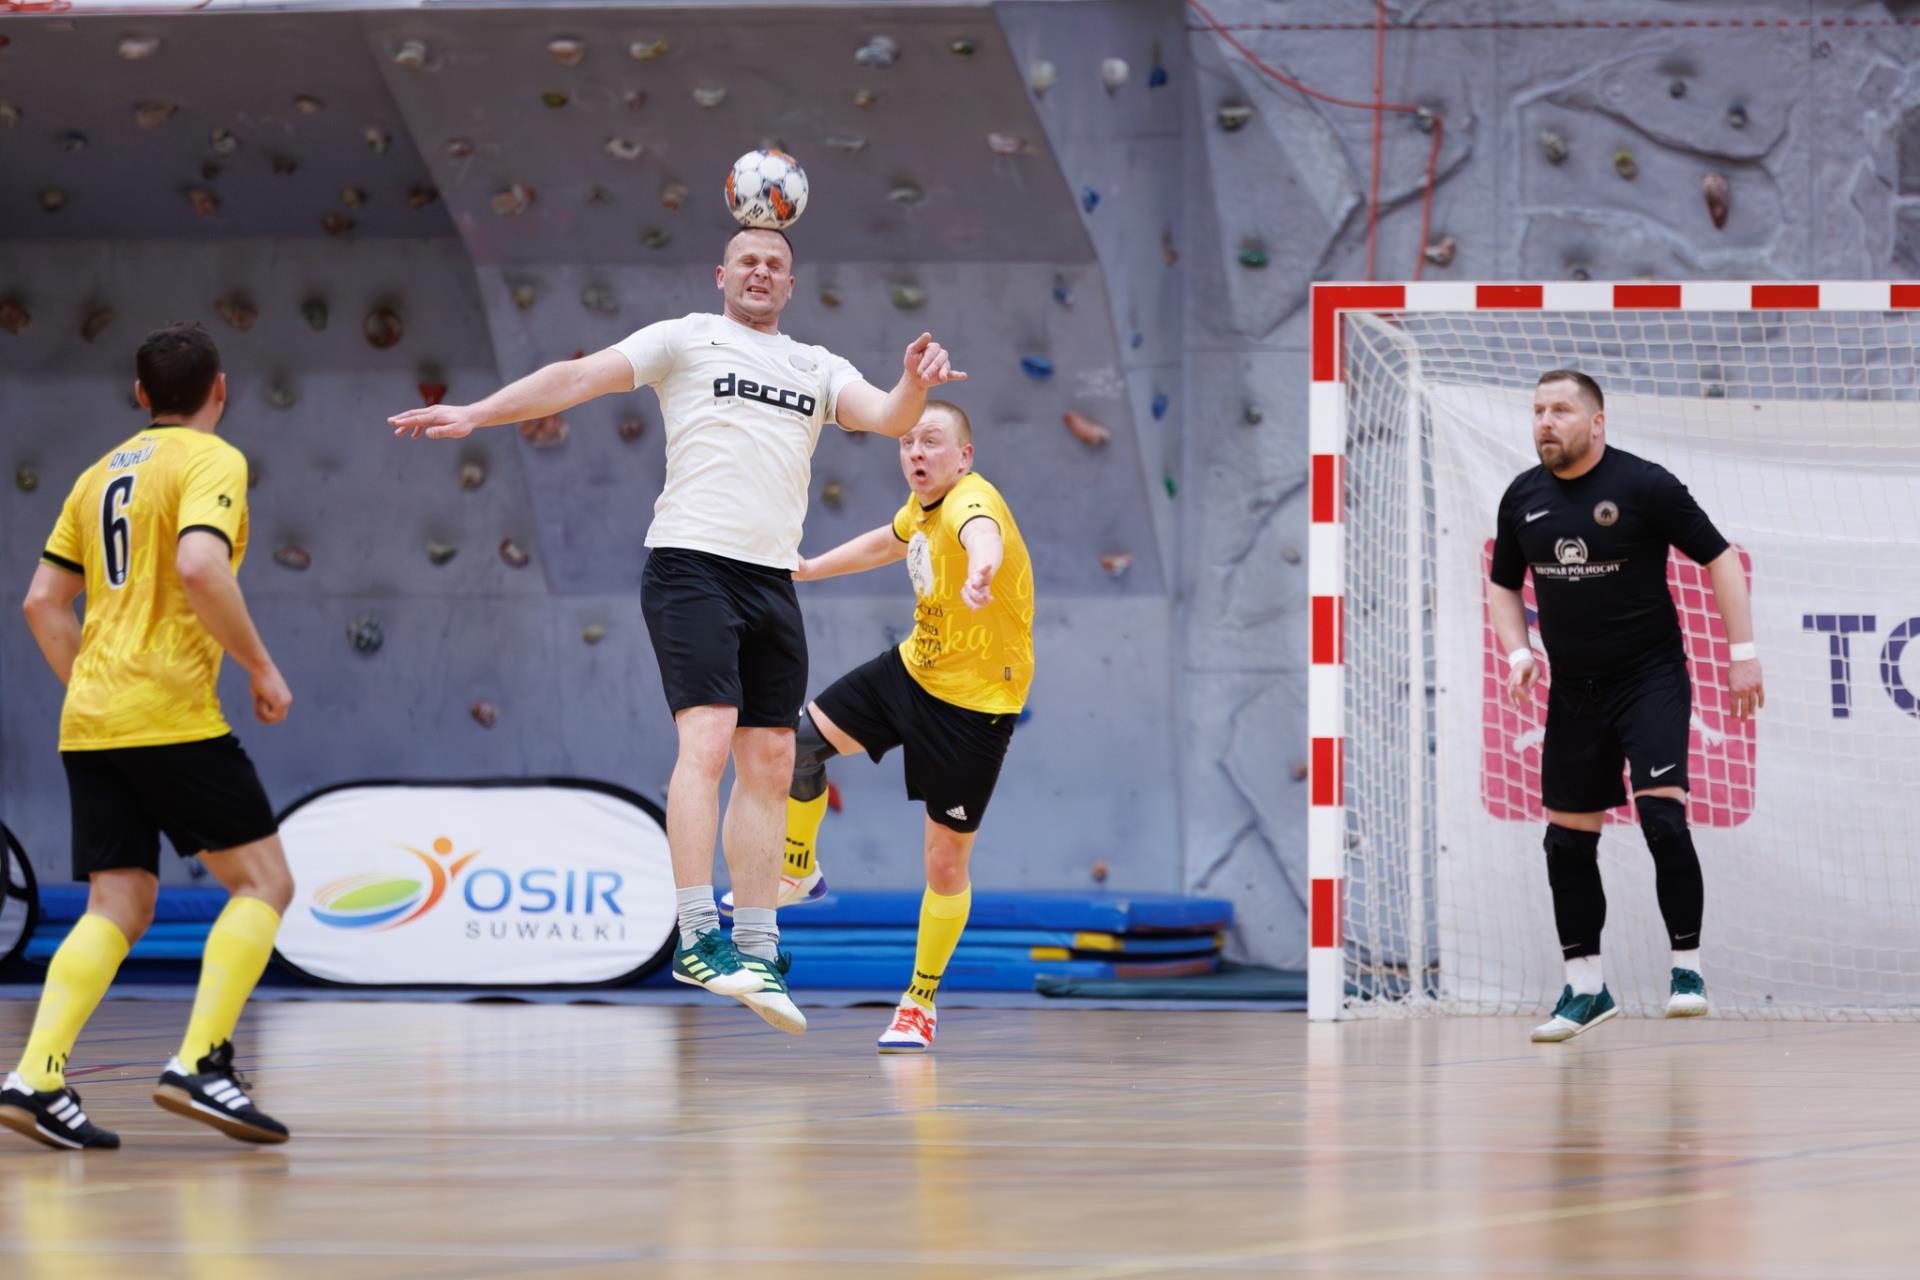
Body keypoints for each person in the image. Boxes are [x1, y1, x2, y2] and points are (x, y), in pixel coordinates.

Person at [388, 227, 966, 1033]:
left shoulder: (817, 366)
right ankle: (698, 936)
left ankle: (756, 947)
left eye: (775, 264)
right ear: (720, 275)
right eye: (748, 261)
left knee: (772, 758)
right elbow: (577, 377)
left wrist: (911, 382)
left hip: (771, 578)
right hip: (691, 565)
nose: (760, 271)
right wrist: (478, 413)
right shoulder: (684, 339)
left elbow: (886, 414)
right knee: (708, 741)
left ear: (790, 285)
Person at [1, 324, 297, 1150]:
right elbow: (201, 565)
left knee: (119, 905)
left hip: (91, 718)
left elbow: (41, 602)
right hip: (169, 711)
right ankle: (201, 1063)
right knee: (265, 883)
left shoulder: (98, 474)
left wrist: (96, 692)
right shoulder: (212, 459)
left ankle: (36, 1077)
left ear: (140, 395)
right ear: (220, 389)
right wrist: (261, 666)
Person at [724, 400, 1032, 1052]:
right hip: (912, 672)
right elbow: (887, 541)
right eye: (908, 441)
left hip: (974, 708)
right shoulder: (922, 508)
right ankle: (799, 869)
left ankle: (919, 1002)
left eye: (932, 441)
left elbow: (984, 534)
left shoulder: (972, 502)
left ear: (965, 456)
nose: (916, 452)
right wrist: (811, 568)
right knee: (799, 745)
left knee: (944, 864)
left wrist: (983, 566)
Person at [1489, 369, 1763, 1044]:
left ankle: (1687, 970)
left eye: (1561, 410)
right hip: (1573, 690)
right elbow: (1502, 584)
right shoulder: (1522, 497)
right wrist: (1520, 653)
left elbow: (1722, 559)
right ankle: (1586, 989)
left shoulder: (1645, 485)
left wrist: (1743, 653)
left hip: (1649, 677)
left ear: (1597, 422)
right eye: (1538, 410)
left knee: (1661, 816)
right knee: (1566, 841)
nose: (1545, 421)